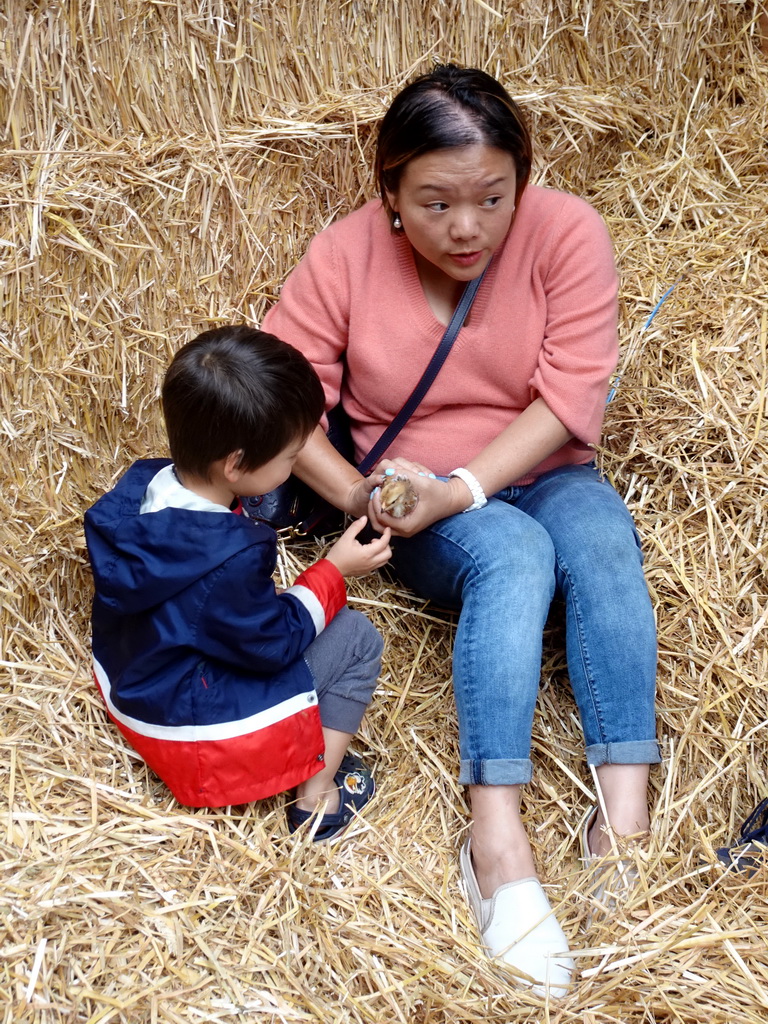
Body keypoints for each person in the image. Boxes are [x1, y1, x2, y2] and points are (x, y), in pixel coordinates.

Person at [262, 65, 662, 995]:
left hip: (536, 469)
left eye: (492, 197)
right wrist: (366, 493)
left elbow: (569, 399)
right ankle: (496, 845)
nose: (468, 227)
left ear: (524, 179)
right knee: (515, 556)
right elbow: (278, 398)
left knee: (604, 547)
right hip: (409, 495)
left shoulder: (568, 233)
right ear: (391, 193)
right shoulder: (349, 252)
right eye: (436, 202)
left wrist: (466, 487)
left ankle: (625, 831)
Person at [83, 326, 392, 841]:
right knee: (357, 639)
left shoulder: (142, 485)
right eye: (291, 458)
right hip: (196, 737)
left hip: (132, 688)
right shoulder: (231, 556)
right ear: (235, 464)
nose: (295, 466)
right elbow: (271, 645)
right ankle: (317, 802)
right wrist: (334, 570)